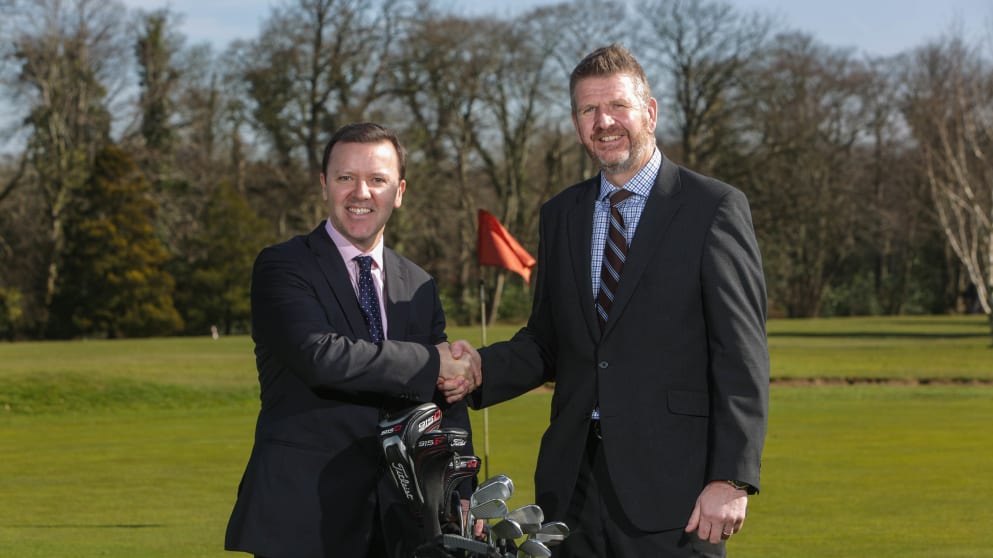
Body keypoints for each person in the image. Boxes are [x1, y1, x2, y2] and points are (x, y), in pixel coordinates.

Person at [457, 44, 770, 557]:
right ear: (577, 121)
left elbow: (742, 355)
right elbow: (546, 341)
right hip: (572, 486)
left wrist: (732, 480)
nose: (604, 121)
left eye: (617, 106)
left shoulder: (712, 208)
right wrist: (477, 370)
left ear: (649, 111)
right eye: (588, 110)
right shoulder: (561, 214)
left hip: (677, 492)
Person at [225, 122, 479, 558]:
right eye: (346, 178)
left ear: (398, 192)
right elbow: (321, 356)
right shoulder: (283, 267)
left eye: (377, 180)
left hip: (401, 523)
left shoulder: (418, 283)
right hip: (304, 519)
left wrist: (461, 486)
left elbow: (444, 400)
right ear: (324, 185)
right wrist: (433, 362)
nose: (361, 193)